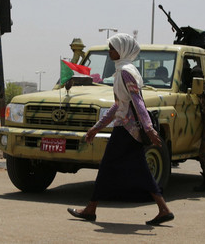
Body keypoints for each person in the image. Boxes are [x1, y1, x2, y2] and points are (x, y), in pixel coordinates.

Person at [67, 33, 174, 226]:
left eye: (112, 48)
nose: (110, 51)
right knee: (141, 169)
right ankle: (163, 209)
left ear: (122, 50)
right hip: (127, 128)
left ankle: (91, 209)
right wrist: (96, 128)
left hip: (126, 129)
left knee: (107, 166)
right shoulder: (122, 71)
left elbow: (138, 102)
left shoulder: (126, 72)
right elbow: (118, 105)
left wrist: (149, 128)